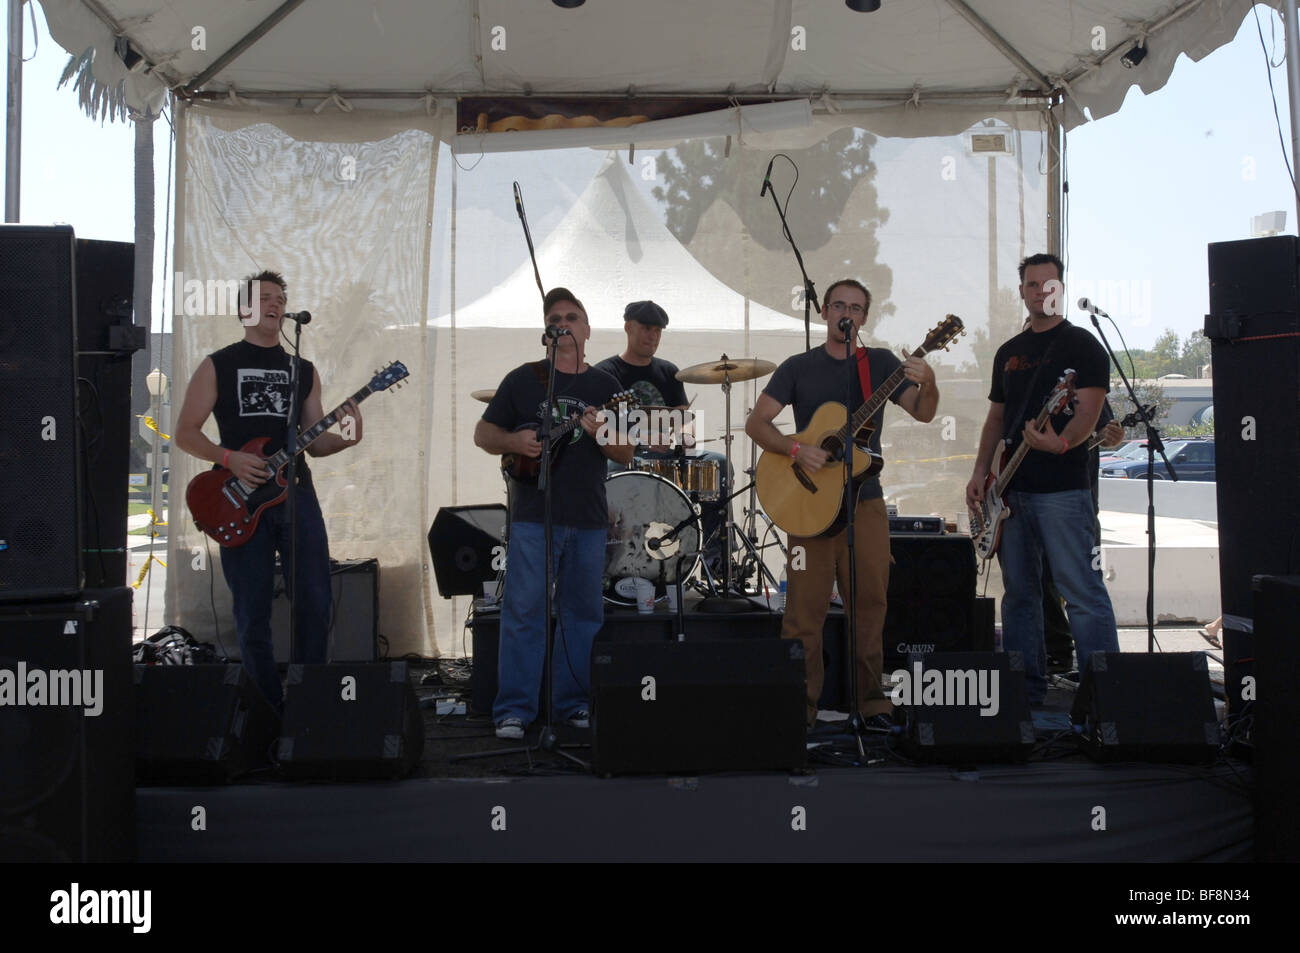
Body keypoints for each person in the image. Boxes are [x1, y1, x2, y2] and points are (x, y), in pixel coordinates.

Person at [746, 279, 939, 728]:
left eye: (855, 307)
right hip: (807, 507)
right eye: (838, 305)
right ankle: (801, 709)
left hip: (864, 502)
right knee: (802, 613)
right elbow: (757, 424)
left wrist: (929, 382)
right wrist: (796, 450)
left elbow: (924, 412)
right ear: (824, 312)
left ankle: (871, 703)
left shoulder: (883, 364)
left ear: (865, 318)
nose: (845, 313)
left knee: (870, 604)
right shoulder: (798, 367)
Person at [174, 271, 363, 711]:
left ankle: (309, 702)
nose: (275, 304)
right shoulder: (217, 364)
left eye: (280, 298)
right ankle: (265, 708)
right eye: (264, 298)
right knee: (252, 607)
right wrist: (229, 459)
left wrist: (348, 436)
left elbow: (315, 444)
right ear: (244, 309)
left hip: (295, 495)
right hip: (237, 499)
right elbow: (185, 432)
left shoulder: (303, 370)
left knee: (315, 598)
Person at [475, 288, 634, 739]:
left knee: (582, 614)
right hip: (531, 516)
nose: (564, 323)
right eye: (555, 318)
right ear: (547, 333)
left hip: (587, 517)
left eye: (572, 316)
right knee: (523, 610)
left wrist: (602, 433)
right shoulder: (524, 380)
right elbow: (483, 432)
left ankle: (573, 704)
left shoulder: (608, 389)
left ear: (586, 329)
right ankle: (514, 710)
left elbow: (625, 453)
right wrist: (514, 443)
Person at [965, 253, 1120, 706]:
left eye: (1048, 284)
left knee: (1082, 592)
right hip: (1009, 492)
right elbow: (996, 418)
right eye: (1031, 284)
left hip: (1063, 494)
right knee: (1019, 597)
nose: (1039, 291)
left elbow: (1089, 412)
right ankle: (1023, 696)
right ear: (1022, 291)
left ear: (1061, 288)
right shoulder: (1008, 352)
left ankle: (1105, 700)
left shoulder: (1083, 346)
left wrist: (1063, 443)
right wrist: (980, 473)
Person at [594, 300, 731, 577]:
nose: (652, 336)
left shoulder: (669, 371)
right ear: (628, 327)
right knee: (607, 471)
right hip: (626, 456)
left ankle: (716, 560)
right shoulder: (606, 373)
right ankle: (610, 565)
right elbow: (601, 428)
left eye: (658, 330)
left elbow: (683, 420)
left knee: (718, 465)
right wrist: (643, 437)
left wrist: (685, 439)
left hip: (668, 454)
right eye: (646, 328)